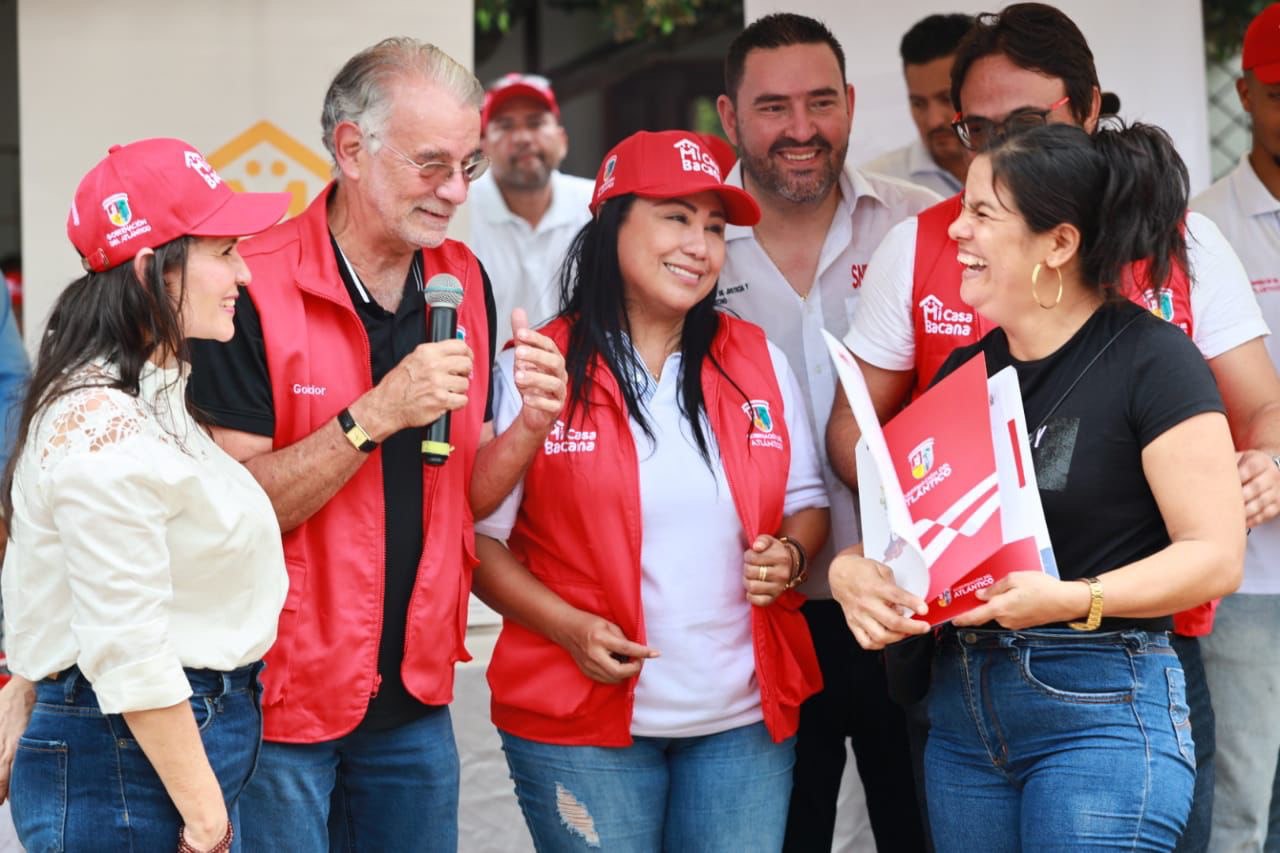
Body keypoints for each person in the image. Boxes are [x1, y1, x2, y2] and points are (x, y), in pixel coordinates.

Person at [826, 7, 1280, 848]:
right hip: (965, 710)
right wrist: (858, 568)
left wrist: (1073, 600)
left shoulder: (1154, 358)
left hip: (1105, 702)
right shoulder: (970, 373)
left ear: (1057, 243)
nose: (951, 230)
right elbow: (915, 526)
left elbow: (1212, 554)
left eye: (981, 215)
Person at [185, 39, 567, 849]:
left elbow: (464, 492)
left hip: (418, 698)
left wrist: (532, 422)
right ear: (351, 149)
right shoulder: (252, 282)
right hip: (280, 696)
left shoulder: (460, 276)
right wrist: (373, 414)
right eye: (433, 164)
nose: (458, 191)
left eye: (468, 164)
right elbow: (237, 507)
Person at [472, 129, 829, 852]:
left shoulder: (756, 358)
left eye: (715, 227)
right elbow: (476, 538)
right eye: (676, 216)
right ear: (612, 222)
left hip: (741, 724)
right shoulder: (540, 365)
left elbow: (808, 500)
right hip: (580, 722)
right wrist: (568, 625)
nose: (700, 244)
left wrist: (790, 555)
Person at [2, 137, 291, 851]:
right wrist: (207, 819)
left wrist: (26, 677)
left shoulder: (144, 394)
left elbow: (61, 578)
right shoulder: (99, 423)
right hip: (131, 756)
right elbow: (129, 649)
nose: (244, 273)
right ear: (149, 270)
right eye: (224, 251)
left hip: (155, 743)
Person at [713, 13, 939, 851]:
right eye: (773, 108)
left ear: (849, 103)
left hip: (910, 606)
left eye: (820, 102)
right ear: (730, 118)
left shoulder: (926, 231)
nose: (801, 130)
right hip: (754, 614)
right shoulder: (686, 246)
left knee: (923, 830)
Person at [1191, 5, 1280, 850]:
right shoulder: (1197, 227)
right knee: (1239, 809)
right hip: (1250, 577)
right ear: (1246, 92)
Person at [469, 72, 594, 346]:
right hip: (484, 384)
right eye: (505, 125)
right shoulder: (460, 211)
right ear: (483, 146)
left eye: (536, 123)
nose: (523, 137)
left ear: (562, 140)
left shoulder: (595, 206)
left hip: (577, 382)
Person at [862, 13, 974, 196]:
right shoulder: (879, 187)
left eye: (947, 99)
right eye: (919, 103)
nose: (933, 121)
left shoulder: (1024, 168)